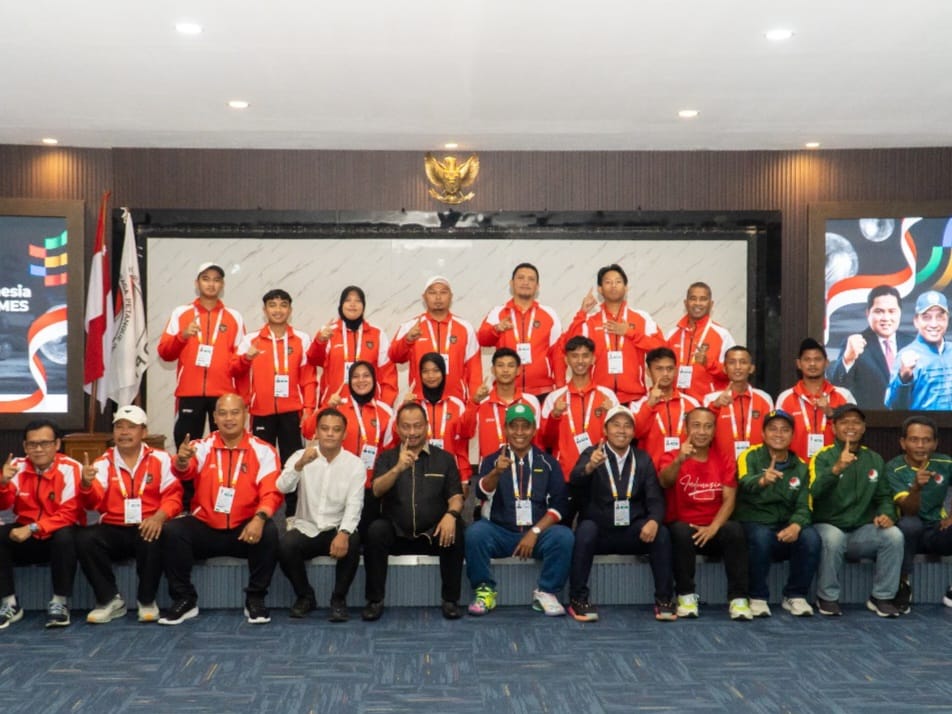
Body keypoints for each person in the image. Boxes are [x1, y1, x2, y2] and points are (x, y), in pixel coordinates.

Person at [160, 394, 283, 626]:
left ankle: (255, 599)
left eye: (235, 412)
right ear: (214, 417)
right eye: (223, 413)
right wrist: (182, 462)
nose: (229, 418)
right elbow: (185, 470)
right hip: (206, 527)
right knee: (173, 531)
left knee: (269, 531)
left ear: (245, 415)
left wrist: (259, 518)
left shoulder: (264, 450)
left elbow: (271, 492)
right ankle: (185, 599)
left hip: (245, 529)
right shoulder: (201, 446)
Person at [568, 406, 676, 622]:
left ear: (634, 432)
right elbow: (574, 480)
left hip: (632, 532)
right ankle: (578, 599)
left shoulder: (642, 459)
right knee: (585, 529)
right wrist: (589, 467)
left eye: (627, 426)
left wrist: (654, 520)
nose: (622, 430)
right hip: (601, 532)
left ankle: (664, 599)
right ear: (605, 430)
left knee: (661, 532)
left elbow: (655, 497)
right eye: (616, 425)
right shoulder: (592, 453)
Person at [76, 406, 183, 624]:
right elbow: (92, 503)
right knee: (85, 538)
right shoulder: (102, 463)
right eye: (119, 427)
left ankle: (146, 600)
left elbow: (174, 496)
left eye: (131, 427)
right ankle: (109, 599)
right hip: (113, 527)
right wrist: (86, 485)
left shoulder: (161, 459)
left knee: (153, 534)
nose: (124, 432)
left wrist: (159, 517)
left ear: (143, 432)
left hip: (147, 523)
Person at [466, 404, 574, 617]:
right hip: (501, 532)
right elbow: (479, 493)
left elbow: (560, 505)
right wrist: (496, 472)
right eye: (513, 427)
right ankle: (485, 590)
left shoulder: (548, 462)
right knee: (475, 533)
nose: (519, 432)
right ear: (505, 429)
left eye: (525, 427)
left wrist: (534, 533)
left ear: (534, 430)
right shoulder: (491, 460)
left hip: (537, 535)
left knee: (564, 536)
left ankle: (546, 591)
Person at [362, 402, 465, 621]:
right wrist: (398, 468)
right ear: (397, 429)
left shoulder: (444, 459)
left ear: (427, 426)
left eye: (417, 426)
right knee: (375, 531)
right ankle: (374, 600)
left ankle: (450, 599)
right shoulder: (387, 458)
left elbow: (456, 496)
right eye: (406, 426)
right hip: (397, 532)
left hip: (433, 533)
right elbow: (377, 490)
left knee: (457, 529)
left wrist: (451, 515)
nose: (412, 432)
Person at [657, 408, 751, 620]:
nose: (702, 431)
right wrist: (680, 460)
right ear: (686, 428)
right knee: (680, 531)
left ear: (714, 430)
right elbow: (664, 481)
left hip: (713, 528)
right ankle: (686, 596)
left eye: (708, 426)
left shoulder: (724, 460)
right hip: (685, 529)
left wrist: (713, 528)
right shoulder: (672, 456)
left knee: (735, 530)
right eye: (696, 425)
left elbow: (729, 500)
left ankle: (738, 599)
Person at [809, 404, 903, 617]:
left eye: (856, 422)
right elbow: (813, 492)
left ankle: (882, 597)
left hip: (861, 530)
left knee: (894, 536)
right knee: (833, 539)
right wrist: (836, 469)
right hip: (827, 525)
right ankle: (827, 597)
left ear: (863, 428)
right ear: (833, 428)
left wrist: (887, 514)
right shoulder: (822, 457)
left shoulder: (874, 459)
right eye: (844, 422)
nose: (850, 426)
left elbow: (884, 496)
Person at [231, 288, 316, 520]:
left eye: (282, 305)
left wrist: (308, 409)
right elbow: (234, 371)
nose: (277, 310)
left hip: (292, 412)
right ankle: (259, 511)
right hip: (261, 412)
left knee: (293, 460)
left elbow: (308, 377)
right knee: (260, 462)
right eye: (272, 305)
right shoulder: (250, 340)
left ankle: (292, 512)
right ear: (264, 310)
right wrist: (246, 358)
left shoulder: (302, 339)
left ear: (290, 309)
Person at [276, 408, 363, 622]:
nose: (330, 434)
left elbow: (355, 504)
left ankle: (338, 600)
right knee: (286, 545)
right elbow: (282, 487)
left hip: (335, 528)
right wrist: (299, 465)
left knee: (353, 540)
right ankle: (305, 596)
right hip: (307, 527)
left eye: (336, 430)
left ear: (344, 434)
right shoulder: (301, 456)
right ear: (316, 432)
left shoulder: (355, 464)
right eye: (325, 429)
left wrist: (343, 533)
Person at [734, 410, 820, 617]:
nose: (778, 434)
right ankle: (757, 597)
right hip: (755, 520)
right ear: (763, 434)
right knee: (761, 537)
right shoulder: (749, 456)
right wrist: (762, 481)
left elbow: (804, 505)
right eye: (772, 429)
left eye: (785, 430)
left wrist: (796, 525)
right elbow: (743, 482)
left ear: (792, 436)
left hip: (785, 523)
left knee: (811, 537)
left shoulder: (800, 466)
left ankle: (795, 595)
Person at [0, 420, 82, 629]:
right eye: (32, 444)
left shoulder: (72, 468)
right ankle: (9, 603)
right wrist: (3, 484)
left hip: (57, 536)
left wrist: (34, 528)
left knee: (65, 535)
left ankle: (60, 603)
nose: (38, 449)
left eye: (45, 443)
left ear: (57, 444)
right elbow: (4, 505)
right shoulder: (16, 467)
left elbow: (69, 513)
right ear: (25, 447)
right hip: (26, 535)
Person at [157, 262, 245, 451]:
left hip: (224, 396)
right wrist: (182, 336)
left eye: (216, 280)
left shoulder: (234, 317)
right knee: (186, 448)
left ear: (222, 285)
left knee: (225, 449)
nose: (211, 284)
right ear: (196, 283)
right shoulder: (181, 313)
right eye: (206, 279)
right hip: (189, 393)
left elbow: (240, 363)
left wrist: (242, 398)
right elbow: (165, 353)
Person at [306, 360, 395, 538]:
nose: (361, 380)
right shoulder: (337, 406)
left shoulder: (385, 411)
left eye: (366, 376)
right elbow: (308, 430)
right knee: (335, 535)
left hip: (370, 486)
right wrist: (326, 407)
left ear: (374, 380)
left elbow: (389, 450)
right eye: (355, 376)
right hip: (338, 484)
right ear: (349, 380)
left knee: (367, 535)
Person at [540, 336, 618, 524]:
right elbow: (545, 440)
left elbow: (619, 438)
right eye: (575, 356)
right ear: (566, 360)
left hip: (598, 474)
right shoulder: (554, 398)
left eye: (585, 356)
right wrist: (555, 415)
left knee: (591, 533)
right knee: (561, 530)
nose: (580, 361)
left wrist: (611, 416)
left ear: (593, 359)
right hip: (565, 476)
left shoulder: (607, 396)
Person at [563, 263, 665, 403]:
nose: (613, 285)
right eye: (608, 282)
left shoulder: (642, 318)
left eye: (618, 282)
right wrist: (582, 312)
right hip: (599, 397)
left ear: (626, 287)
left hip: (634, 397)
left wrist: (629, 332)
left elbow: (662, 349)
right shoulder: (590, 321)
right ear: (600, 289)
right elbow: (568, 346)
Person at [885, 415, 952, 613]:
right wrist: (916, 487)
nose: (920, 445)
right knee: (910, 524)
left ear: (935, 443)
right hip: (906, 531)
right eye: (914, 439)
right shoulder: (893, 468)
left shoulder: (945, 462)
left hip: (936, 529)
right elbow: (908, 510)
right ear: (903, 443)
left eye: (927, 440)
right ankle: (902, 584)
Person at [478, 263, 563, 401]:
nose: (525, 282)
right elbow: (482, 340)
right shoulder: (498, 312)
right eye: (521, 278)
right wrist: (497, 329)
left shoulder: (549, 314)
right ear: (511, 283)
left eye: (531, 279)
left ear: (537, 286)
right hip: (506, 391)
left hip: (543, 392)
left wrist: (560, 388)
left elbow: (558, 353)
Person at [389, 276, 482, 402]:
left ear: (451, 296)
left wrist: (474, 402)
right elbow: (394, 356)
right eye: (432, 292)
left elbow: (474, 370)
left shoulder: (466, 328)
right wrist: (408, 340)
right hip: (420, 402)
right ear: (424, 297)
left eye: (443, 292)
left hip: (456, 402)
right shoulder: (411, 326)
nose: (438, 297)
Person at [307, 285, 398, 408]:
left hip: (369, 407)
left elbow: (388, 374)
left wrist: (384, 406)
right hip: (334, 405)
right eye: (348, 300)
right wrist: (320, 341)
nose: (353, 304)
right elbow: (313, 360)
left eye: (358, 301)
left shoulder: (378, 334)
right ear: (341, 305)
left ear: (363, 306)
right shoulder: (328, 333)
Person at [775, 338, 855, 460]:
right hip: (796, 470)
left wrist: (830, 413)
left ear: (827, 363)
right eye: (807, 359)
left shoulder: (843, 395)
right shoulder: (785, 397)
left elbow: (854, 430)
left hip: (834, 467)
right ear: (799, 364)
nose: (812, 364)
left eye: (817, 359)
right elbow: (777, 435)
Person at [459, 347, 542, 465]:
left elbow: (537, 439)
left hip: (523, 468)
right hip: (489, 470)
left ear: (518, 370)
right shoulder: (481, 403)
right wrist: (474, 402)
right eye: (500, 365)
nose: (505, 370)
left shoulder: (531, 402)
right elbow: (465, 433)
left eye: (510, 365)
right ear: (493, 370)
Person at [828, 285, 902, 408]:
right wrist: (847, 359)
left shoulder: (912, 343)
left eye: (891, 311)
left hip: (908, 421)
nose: (886, 318)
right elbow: (837, 388)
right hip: (871, 423)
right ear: (868, 313)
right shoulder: (853, 344)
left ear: (900, 313)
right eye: (879, 311)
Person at [665, 282, 736, 402]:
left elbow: (733, 372)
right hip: (677, 404)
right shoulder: (671, 335)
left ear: (711, 304)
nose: (697, 303)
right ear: (685, 303)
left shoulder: (722, 335)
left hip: (709, 405)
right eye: (693, 298)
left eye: (703, 299)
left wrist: (709, 363)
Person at [408, 353, 471, 486]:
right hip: (417, 472)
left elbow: (462, 445)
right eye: (425, 371)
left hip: (450, 472)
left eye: (436, 370)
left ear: (443, 372)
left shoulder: (457, 405)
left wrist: (464, 477)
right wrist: (404, 406)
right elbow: (398, 437)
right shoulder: (412, 404)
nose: (431, 376)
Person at [631, 347, 700, 468]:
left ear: (676, 370)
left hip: (687, 471)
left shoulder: (692, 403)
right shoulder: (637, 405)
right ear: (648, 371)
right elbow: (635, 433)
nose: (665, 374)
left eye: (669, 369)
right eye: (659, 369)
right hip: (651, 474)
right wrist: (650, 404)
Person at [703, 345, 774, 460]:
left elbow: (772, 434)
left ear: (751, 368)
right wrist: (715, 406)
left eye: (743, 362)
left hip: (756, 468)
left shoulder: (765, 398)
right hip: (722, 469)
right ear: (725, 368)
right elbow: (702, 433)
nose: (738, 367)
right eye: (732, 362)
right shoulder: (711, 399)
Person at [886, 290, 952, 410]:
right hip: (923, 427)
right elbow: (894, 408)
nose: (934, 324)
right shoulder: (906, 356)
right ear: (916, 321)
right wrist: (903, 378)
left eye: (940, 317)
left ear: (947, 319)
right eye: (926, 317)